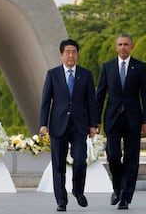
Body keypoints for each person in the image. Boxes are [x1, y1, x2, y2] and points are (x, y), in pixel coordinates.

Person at [95, 33, 146, 210]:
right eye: (120, 44)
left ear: (132, 47)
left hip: (134, 119)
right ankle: (117, 187)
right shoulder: (107, 67)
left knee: (131, 159)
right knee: (112, 155)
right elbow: (100, 96)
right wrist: (95, 121)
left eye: (126, 44)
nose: (123, 47)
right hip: (112, 119)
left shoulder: (140, 67)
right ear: (116, 47)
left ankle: (126, 197)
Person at [40, 39, 97, 212]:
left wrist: (93, 124)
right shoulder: (52, 74)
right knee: (58, 165)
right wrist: (43, 124)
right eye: (67, 52)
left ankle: (78, 190)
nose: (71, 55)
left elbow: (91, 102)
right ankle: (61, 200)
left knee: (80, 160)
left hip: (80, 126)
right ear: (61, 55)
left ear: (77, 54)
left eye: (73, 52)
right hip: (58, 125)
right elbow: (45, 101)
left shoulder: (86, 75)